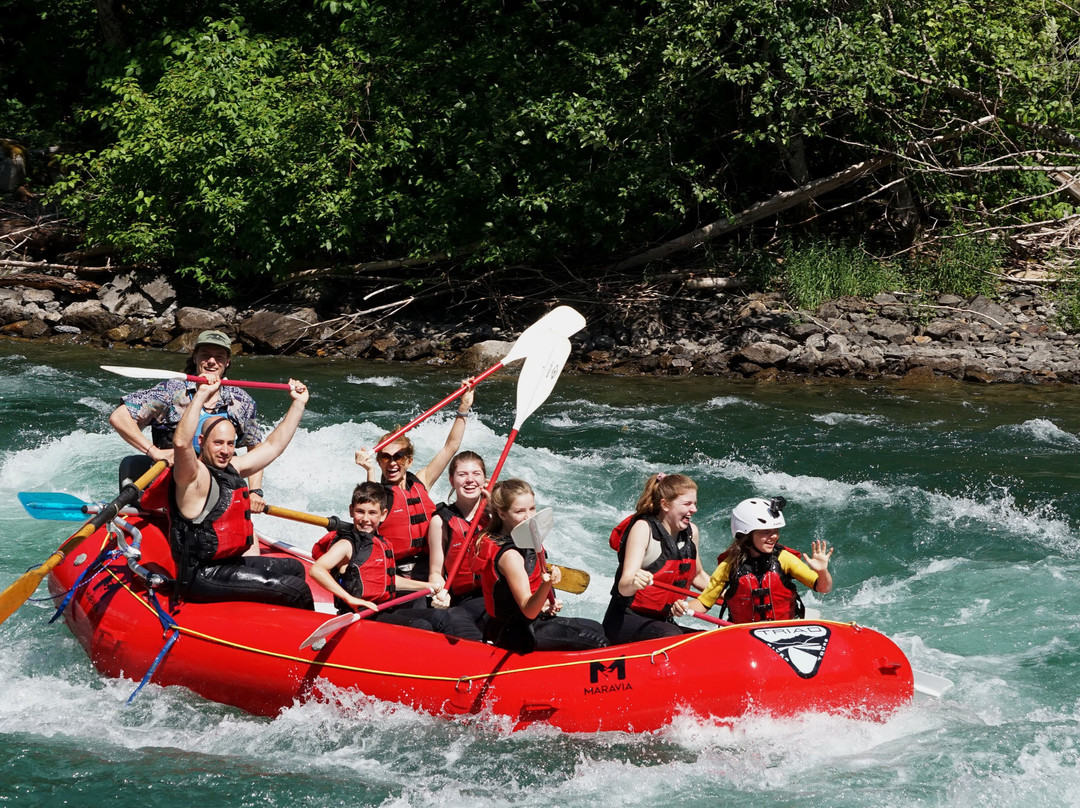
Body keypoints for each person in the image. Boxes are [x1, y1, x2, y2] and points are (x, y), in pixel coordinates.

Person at [165, 372, 313, 609]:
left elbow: (273, 446)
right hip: (203, 575)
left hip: (230, 563)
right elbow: (181, 443)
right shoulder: (193, 476)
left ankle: (274, 622)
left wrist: (298, 403)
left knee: (294, 568)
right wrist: (201, 394)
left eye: (231, 444)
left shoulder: (232, 467)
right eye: (218, 443)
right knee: (295, 590)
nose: (225, 450)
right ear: (201, 441)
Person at [109, 329, 269, 514]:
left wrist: (255, 491)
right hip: (173, 486)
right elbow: (119, 417)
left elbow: (255, 447)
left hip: (219, 489)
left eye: (219, 357)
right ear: (195, 358)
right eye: (205, 355)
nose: (211, 361)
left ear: (227, 362)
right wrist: (154, 452)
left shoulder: (241, 400)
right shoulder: (172, 391)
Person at [309, 482, 483, 639]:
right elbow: (317, 570)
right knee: (421, 626)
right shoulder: (347, 544)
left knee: (441, 617)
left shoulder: (381, 542)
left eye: (372, 513)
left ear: (383, 515)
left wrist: (428, 587)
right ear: (351, 511)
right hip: (363, 614)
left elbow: (386, 581)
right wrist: (349, 599)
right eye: (360, 511)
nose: (366, 519)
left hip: (382, 609)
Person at [355, 385, 475, 579]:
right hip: (395, 573)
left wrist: (464, 407)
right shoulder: (378, 493)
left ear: (409, 461)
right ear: (379, 461)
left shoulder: (422, 481)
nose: (392, 463)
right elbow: (371, 505)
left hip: (431, 568)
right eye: (385, 457)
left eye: (399, 457)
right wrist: (369, 470)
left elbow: (450, 447)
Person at [478, 479, 607, 653]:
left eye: (532, 508)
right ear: (502, 514)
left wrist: (545, 605)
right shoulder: (510, 556)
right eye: (520, 511)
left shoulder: (521, 536)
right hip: (516, 632)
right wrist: (546, 585)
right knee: (598, 641)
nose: (529, 516)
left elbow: (531, 604)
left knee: (596, 627)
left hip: (526, 622)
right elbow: (528, 610)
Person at [602, 473, 711, 644]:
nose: (694, 509)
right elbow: (624, 586)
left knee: (705, 639)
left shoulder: (692, 533)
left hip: (662, 622)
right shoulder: (643, 529)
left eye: (695, 504)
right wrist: (635, 582)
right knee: (672, 637)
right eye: (687, 504)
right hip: (626, 620)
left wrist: (728, 593)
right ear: (665, 504)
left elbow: (697, 575)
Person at [687, 496, 833, 623]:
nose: (774, 536)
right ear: (745, 535)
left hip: (785, 631)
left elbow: (823, 588)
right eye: (766, 532)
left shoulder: (784, 559)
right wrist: (679, 606)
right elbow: (703, 604)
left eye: (775, 531)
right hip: (745, 635)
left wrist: (822, 572)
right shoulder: (729, 566)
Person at [425, 451, 490, 631]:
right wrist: (439, 594)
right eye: (462, 475)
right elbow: (436, 571)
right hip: (465, 600)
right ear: (452, 481)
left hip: (497, 595)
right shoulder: (441, 521)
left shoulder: (497, 515)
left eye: (476, 474)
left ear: (485, 480)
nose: (470, 480)